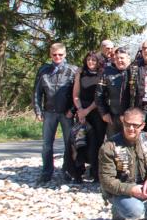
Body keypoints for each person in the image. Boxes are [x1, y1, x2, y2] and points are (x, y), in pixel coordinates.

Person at [34, 43, 78, 184]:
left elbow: (77, 94)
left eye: (60, 54)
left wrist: (72, 110)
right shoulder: (43, 70)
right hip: (49, 113)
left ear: (65, 54)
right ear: (50, 54)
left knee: (69, 144)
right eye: (54, 54)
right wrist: (38, 110)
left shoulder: (73, 70)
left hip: (67, 113)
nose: (57, 57)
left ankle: (67, 170)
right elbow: (37, 92)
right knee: (47, 144)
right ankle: (46, 172)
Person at [71, 51, 105, 182]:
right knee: (80, 142)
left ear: (98, 62)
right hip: (82, 111)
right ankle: (78, 172)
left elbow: (100, 96)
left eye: (94, 60)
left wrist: (88, 110)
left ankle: (96, 172)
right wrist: (80, 110)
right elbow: (76, 95)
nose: (91, 62)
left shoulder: (102, 75)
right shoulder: (81, 74)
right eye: (88, 59)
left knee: (97, 143)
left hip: (97, 111)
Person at [95, 47, 132, 138]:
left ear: (128, 59)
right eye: (117, 58)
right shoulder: (107, 72)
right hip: (113, 116)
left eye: (122, 58)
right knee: (113, 143)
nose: (119, 60)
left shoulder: (136, 71)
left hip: (131, 117)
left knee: (131, 143)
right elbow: (99, 94)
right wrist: (104, 113)